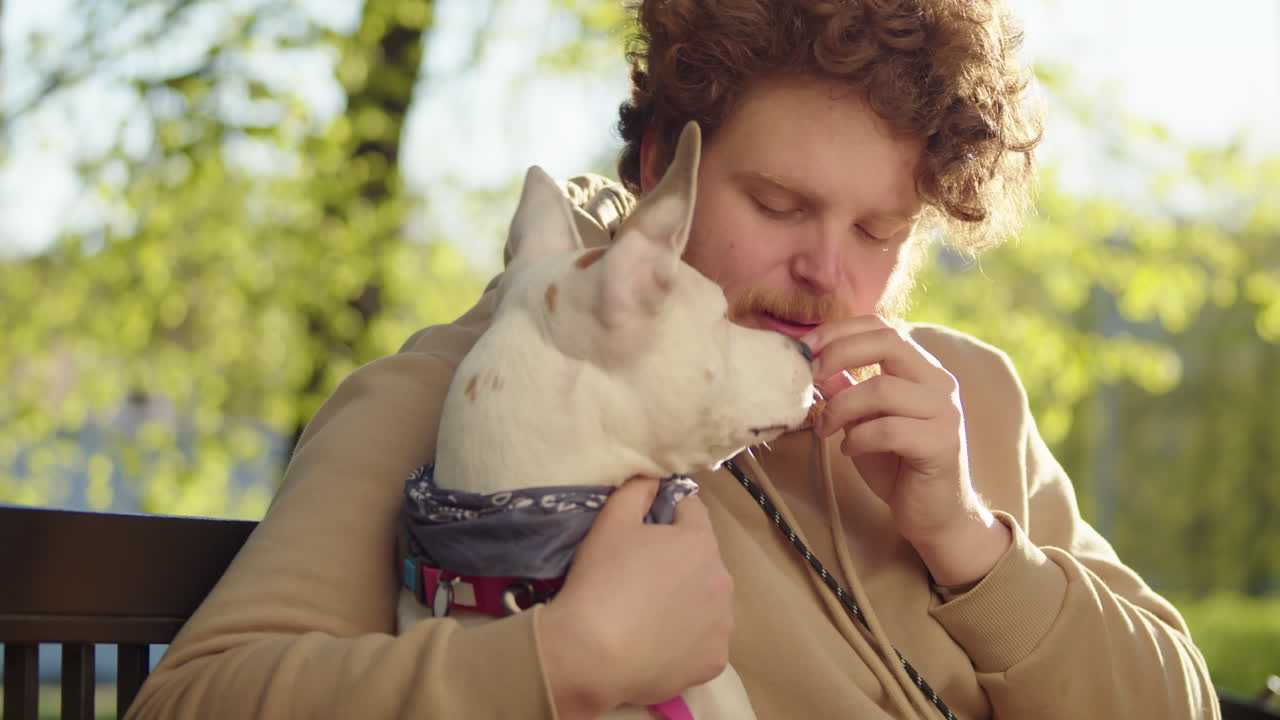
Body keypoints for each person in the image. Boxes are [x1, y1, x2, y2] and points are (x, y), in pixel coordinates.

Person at [127, 1, 1219, 718]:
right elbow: (194, 701)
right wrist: (559, 665)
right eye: (778, 203)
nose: (828, 275)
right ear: (662, 169)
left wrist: (974, 550)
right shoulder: (467, 396)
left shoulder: (963, 397)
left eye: (879, 233)